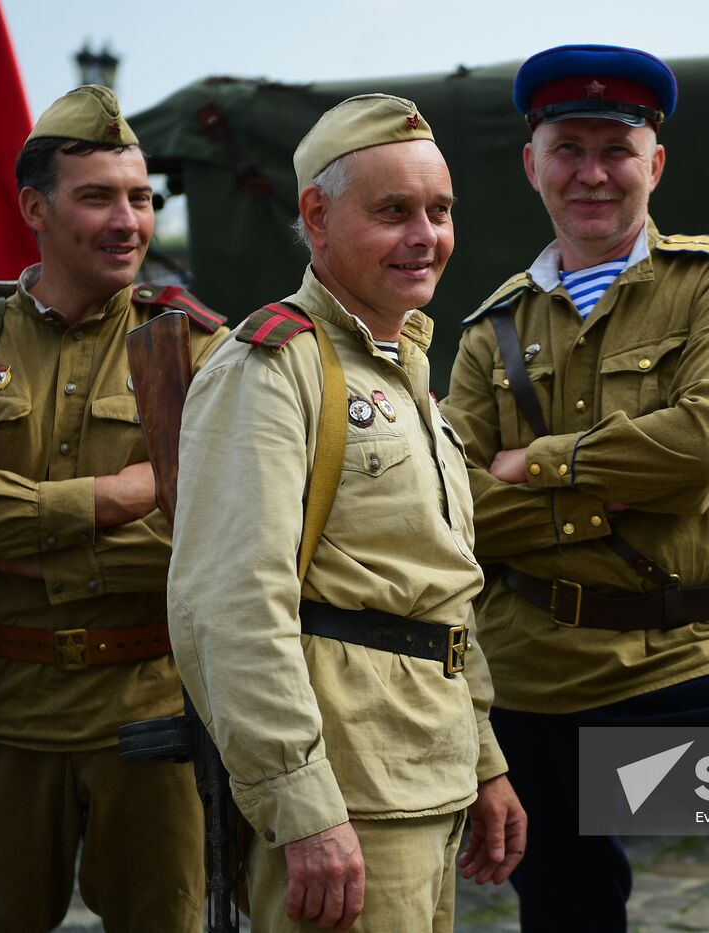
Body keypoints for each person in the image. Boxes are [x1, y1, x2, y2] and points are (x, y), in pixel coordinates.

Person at [439, 44, 709, 933]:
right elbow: (456, 506)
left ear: (656, 162)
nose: (593, 174)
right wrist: (622, 485)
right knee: (567, 911)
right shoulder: (492, 331)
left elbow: (699, 449)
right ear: (533, 165)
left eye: (617, 148)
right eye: (569, 148)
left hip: (690, 654)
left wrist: (541, 463)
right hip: (536, 674)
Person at [167, 94, 526, 933]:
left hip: (423, 778)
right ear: (317, 216)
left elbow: (440, 597)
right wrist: (304, 807)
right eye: (393, 211)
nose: (426, 235)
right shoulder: (272, 367)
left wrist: (485, 763)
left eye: (439, 212)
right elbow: (232, 606)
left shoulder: (405, 370)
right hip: (349, 795)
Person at [0, 86, 228, 930]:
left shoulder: (187, 347)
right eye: (99, 197)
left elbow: (216, 540)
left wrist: (19, 545)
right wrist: (115, 496)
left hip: (147, 713)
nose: (129, 221)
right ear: (35, 207)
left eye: (142, 198)